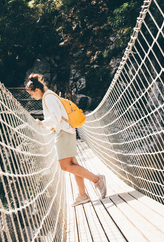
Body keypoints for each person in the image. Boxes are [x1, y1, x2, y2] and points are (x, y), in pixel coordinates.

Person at [26, 73, 106, 206]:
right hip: (66, 131)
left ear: (37, 90)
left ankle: (97, 179)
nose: (32, 97)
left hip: (63, 132)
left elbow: (56, 117)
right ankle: (82, 195)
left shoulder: (48, 97)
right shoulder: (49, 95)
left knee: (65, 166)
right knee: (73, 164)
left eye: (32, 94)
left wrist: (42, 123)